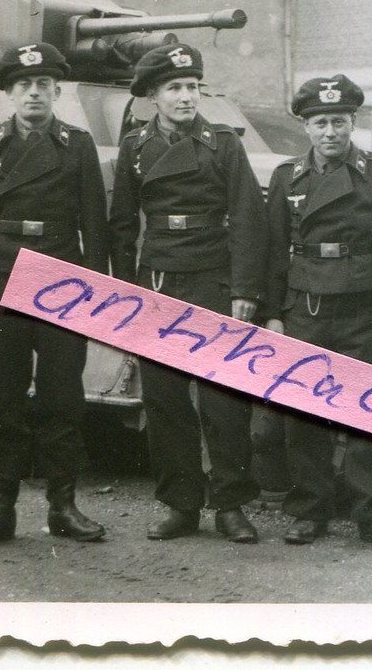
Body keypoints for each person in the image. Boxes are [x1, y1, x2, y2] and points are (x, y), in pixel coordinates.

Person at [0, 42, 109, 547]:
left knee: (64, 397)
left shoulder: (77, 144)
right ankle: (1, 509)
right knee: (3, 398)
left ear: (57, 91)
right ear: (10, 93)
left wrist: (96, 296)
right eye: (24, 85)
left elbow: (96, 227)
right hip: (2, 276)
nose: (34, 93)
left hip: (62, 278)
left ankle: (64, 506)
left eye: (43, 85)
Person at [109, 43, 266, 544]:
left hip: (213, 278)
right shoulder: (135, 148)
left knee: (224, 398)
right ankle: (181, 503)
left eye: (192, 87)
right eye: (174, 88)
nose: (185, 97)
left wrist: (244, 290)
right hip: (159, 281)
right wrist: (128, 293)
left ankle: (232, 505)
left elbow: (247, 219)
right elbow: (120, 226)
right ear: (153, 95)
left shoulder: (223, 143)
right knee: (165, 400)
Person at [263, 74, 372, 551]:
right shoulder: (287, 176)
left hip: (363, 305)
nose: (330, 132)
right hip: (305, 305)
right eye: (320, 123)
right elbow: (272, 251)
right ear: (306, 128)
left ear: (353, 123)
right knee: (303, 410)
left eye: (339, 121)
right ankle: (310, 510)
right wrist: (272, 314)